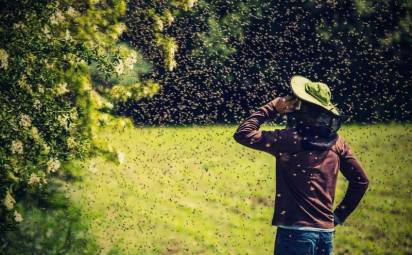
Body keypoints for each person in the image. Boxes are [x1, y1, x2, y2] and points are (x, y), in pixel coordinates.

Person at [233, 75, 369, 255]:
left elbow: (243, 133)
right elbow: (361, 181)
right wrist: (338, 216)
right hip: (326, 235)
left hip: (294, 234)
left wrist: (272, 107)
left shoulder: (288, 139)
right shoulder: (337, 143)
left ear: (304, 109)